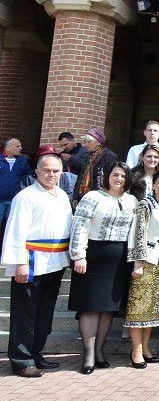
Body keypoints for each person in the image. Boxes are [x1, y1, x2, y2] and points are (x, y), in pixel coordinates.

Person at [1, 153, 72, 378]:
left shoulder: (61, 195)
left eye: (56, 171)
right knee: (25, 313)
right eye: (47, 170)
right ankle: (21, 359)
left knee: (44, 313)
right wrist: (19, 263)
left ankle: (35, 352)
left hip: (55, 261)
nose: (51, 175)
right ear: (37, 172)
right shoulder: (26, 196)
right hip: (32, 262)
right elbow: (16, 230)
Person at [68, 162, 138, 374]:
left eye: (123, 176)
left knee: (108, 308)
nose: (119, 179)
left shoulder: (131, 200)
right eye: (115, 175)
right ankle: (88, 353)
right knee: (90, 306)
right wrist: (79, 255)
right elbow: (80, 226)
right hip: (93, 256)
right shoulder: (93, 197)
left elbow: (135, 231)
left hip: (118, 261)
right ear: (108, 176)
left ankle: (99, 351)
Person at [125, 170, 159, 368]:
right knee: (138, 307)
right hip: (147, 261)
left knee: (153, 308)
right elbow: (138, 233)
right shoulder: (145, 205)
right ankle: (136, 350)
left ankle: (145, 348)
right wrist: (137, 263)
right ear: (153, 185)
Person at [73, 128, 118, 205]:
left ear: (98, 143)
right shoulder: (87, 157)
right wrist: (75, 197)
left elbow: (111, 178)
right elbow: (81, 176)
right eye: (85, 142)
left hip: (101, 198)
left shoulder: (109, 156)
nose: (86, 145)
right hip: (84, 196)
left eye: (89, 142)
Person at [0, 138, 33, 231]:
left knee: (11, 228)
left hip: (15, 201)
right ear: (8, 148)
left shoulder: (23, 161)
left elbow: (29, 177)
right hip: (0, 200)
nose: (20, 148)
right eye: (17, 146)